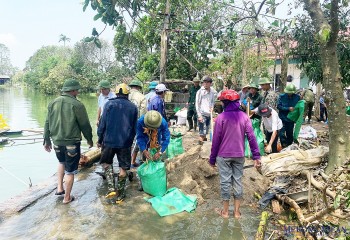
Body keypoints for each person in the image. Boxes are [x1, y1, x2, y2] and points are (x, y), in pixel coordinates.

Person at [209, 89, 261, 219]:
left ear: (225, 102)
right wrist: (256, 156)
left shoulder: (221, 118)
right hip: (239, 155)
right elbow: (251, 137)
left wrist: (212, 159)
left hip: (223, 155)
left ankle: (225, 212)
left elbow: (216, 140)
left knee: (225, 182)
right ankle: (237, 212)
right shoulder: (244, 116)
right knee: (237, 181)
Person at [43, 79, 93, 204]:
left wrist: (46, 140)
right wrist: (90, 140)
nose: (78, 92)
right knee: (70, 170)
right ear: (73, 90)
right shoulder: (77, 104)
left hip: (57, 142)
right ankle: (67, 198)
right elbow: (85, 125)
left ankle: (60, 188)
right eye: (77, 89)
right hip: (71, 142)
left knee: (61, 162)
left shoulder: (52, 103)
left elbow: (47, 122)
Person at [97, 83, 138, 202]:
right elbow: (134, 128)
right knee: (123, 169)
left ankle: (111, 188)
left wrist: (100, 139)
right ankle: (120, 195)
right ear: (127, 94)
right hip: (125, 143)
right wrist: (131, 140)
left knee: (105, 163)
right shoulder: (133, 107)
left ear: (116, 93)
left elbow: (102, 124)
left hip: (108, 141)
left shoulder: (109, 104)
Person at [136, 110, 170, 190]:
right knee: (144, 161)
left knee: (157, 160)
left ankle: (156, 179)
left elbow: (166, 138)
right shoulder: (140, 122)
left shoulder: (163, 122)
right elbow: (140, 137)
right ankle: (143, 181)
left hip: (157, 142)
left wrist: (160, 152)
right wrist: (144, 150)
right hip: (145, 142)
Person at [128, 79, 147, 167]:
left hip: (125, 123)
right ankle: (132, 162)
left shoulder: (126, 95)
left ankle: (125, 162)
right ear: (139, 87)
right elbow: (143, 113)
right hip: (136, 123)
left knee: (127, 142)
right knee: (137, 141)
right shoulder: (142, 97)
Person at [277, 84, 300, 148]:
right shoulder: (281, 97)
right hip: (282, 118)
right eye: (289, 93)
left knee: (289, 133)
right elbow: (278, 106)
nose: (290, 94)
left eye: (291, 93)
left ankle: (289, 146)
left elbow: (299, 106)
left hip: (291, 119)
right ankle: (284, 145)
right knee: (281, 133)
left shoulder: (297, 97)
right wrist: (287, 108)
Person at [195, 76, 216, 142]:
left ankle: (203, 140)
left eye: (207, 82)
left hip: (209, 113)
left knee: (206, 129)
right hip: (202, 113)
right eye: (204, 82)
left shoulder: (212, 92)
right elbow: (197, 103)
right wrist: (199, 115)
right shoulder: (200, 92)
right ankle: (200, 142)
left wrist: (212, 108)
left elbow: (212, 101)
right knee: (202, 130)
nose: (205, 84)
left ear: (210, 83)